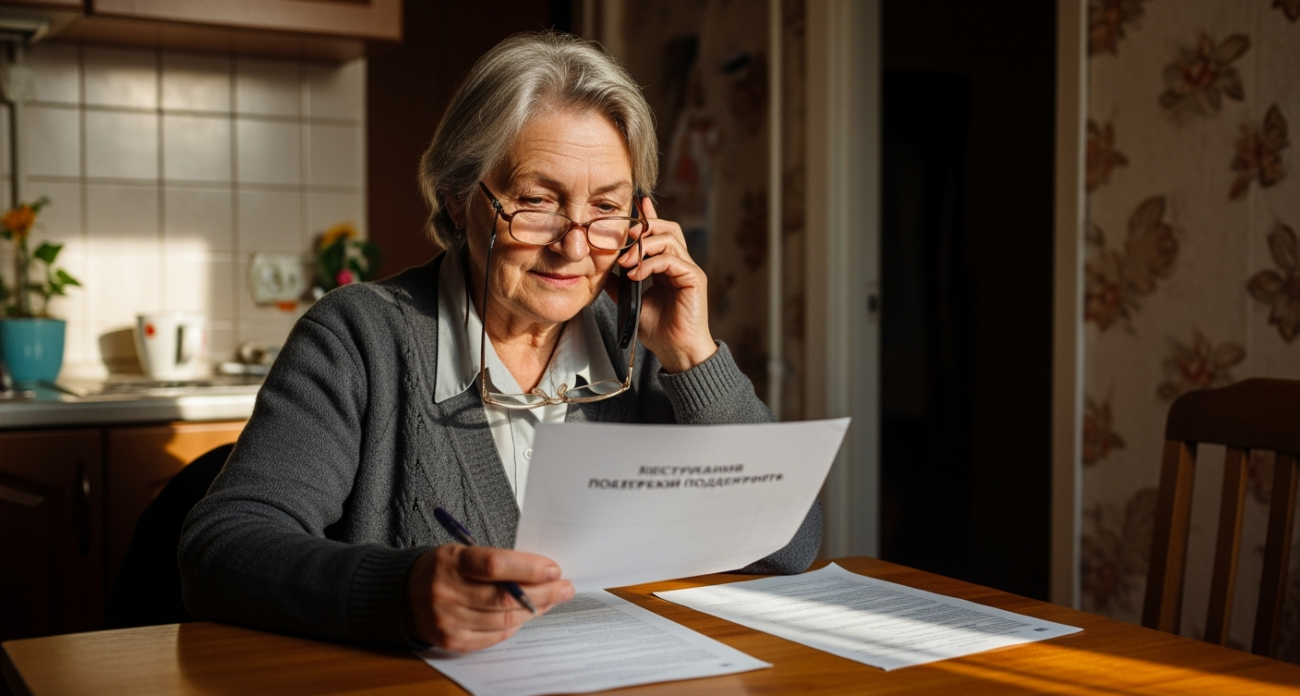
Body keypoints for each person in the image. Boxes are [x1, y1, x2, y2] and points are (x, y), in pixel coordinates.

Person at [179, 31, 822, 653]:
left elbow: (791, 546)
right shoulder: (358, 338)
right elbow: (222, 547)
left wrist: (693, 357)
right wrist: (399, 592)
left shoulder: (648, 354)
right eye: (537, 201)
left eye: (606, 208)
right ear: (461, 200)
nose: (573, 246)